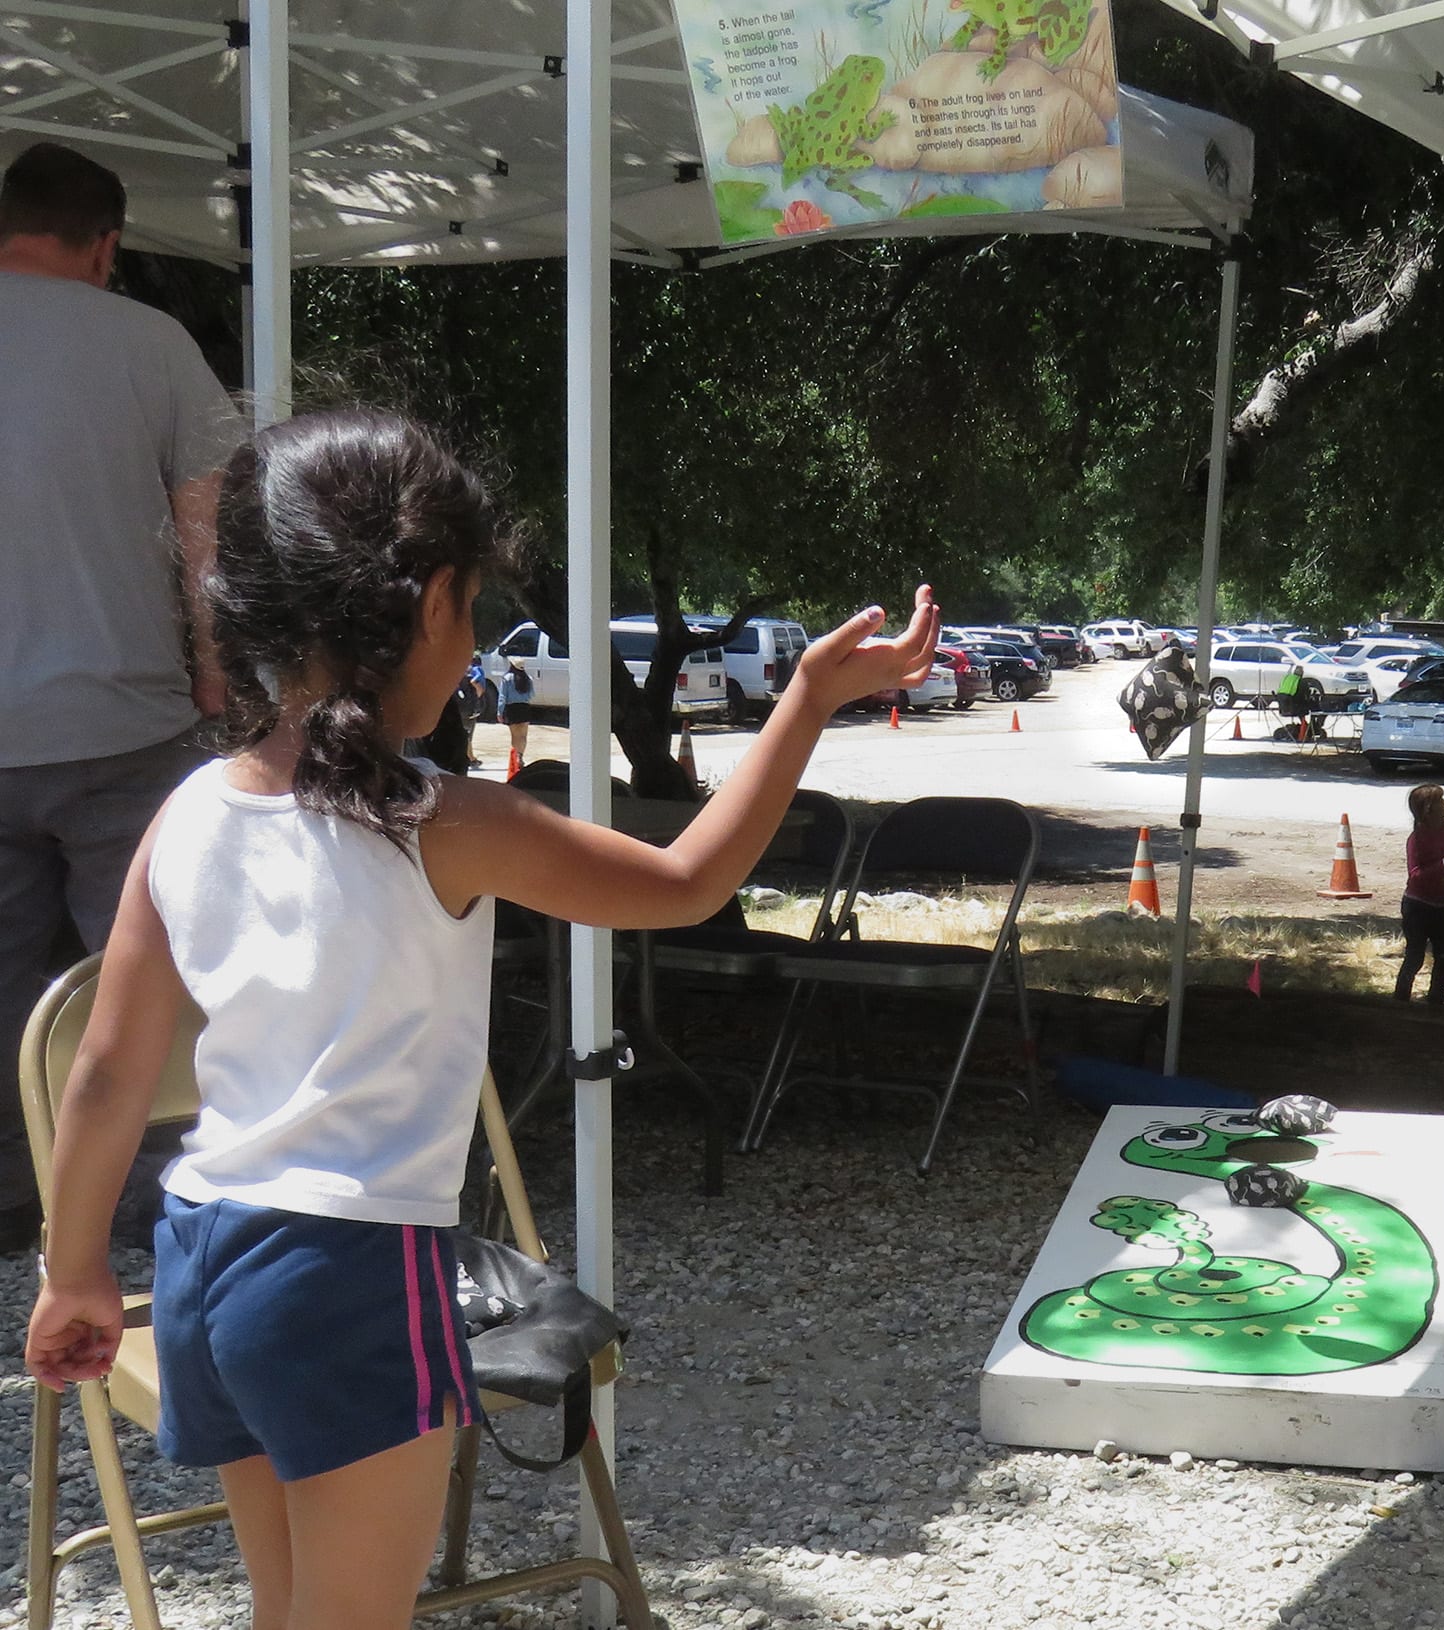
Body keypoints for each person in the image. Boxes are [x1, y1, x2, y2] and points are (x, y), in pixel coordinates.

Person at [21, 409, 939, 1630]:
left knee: (287, 1610)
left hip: (200, 1257)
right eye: (472, 607)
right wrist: (807, 699)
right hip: (349, 1269)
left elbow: (104, 1073)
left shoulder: (188, 811)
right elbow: (689, 882)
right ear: (431, 602)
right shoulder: (439, 818)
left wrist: (75, 1270)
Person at [0, 142, 243, 1255]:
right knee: (140, 977)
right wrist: (214, 671)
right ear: (105, 245)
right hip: (124, 718)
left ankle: (17, 1195)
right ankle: (144, 1199)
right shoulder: (152, 343)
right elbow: (208, 531)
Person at [1395, 784, 1444, 1004]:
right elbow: (1415, 875)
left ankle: (1436, 1002)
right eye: (1440, 801)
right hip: (1417, 905)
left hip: (1441, 904)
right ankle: (1400, 1000)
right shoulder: (1416, 838)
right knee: (1415, 956)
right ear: (1428, 810)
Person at [500, 656, 535, 767]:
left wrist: (499, 712)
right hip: (524, 708)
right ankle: (521, 756)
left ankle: (516, 757)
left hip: (512, 708)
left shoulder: (506, 678)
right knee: (523, 736)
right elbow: (532, 695)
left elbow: (502, 697)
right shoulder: (529, 679)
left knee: (514, 736)